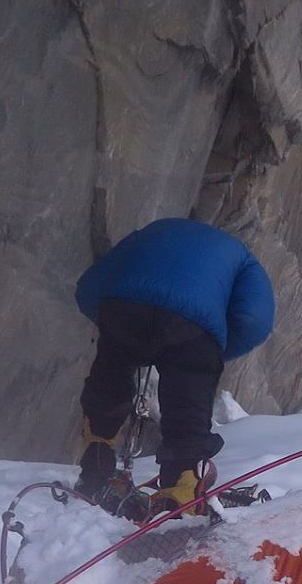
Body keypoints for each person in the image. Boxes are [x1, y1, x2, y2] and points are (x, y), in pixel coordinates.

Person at [71, 217, 274, 515]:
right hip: (192, 324)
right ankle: (181, 492)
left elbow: (90, 284)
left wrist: (109, 324)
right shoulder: (242, 258)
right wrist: (212, 354)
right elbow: (254, 319)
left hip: (123, 305)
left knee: (109, 383)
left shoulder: (155, 230)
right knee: (186, 409)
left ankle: (95, 468)